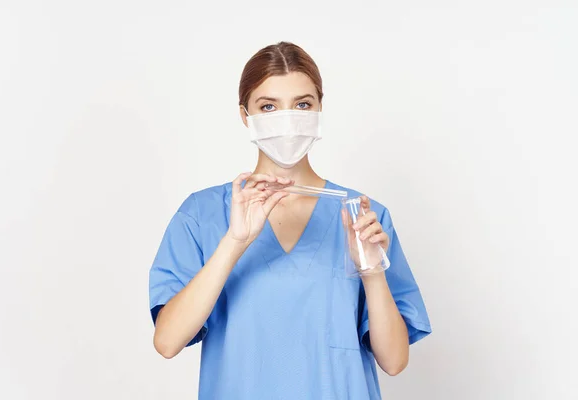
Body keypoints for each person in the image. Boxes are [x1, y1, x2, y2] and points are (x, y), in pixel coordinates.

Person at [148, 41, 431, 400]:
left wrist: (373, 274)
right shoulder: (202, 215)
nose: (287, 119)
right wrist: (235, 242)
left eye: (302, 104)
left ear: (319, 109)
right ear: (244, 115)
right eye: (268, 106)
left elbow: (394, 361)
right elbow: (168, 341)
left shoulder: (360, 215)